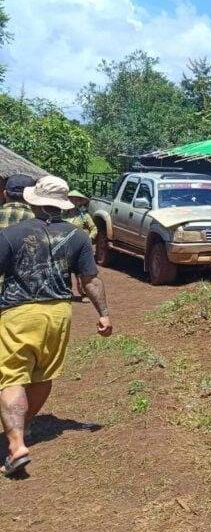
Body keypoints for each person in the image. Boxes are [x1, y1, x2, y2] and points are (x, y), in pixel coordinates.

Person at [0, 175, 112, 478]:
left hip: (19, 313)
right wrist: (103, 313)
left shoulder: (11, 235)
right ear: (63, 205)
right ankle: (24, 426)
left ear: (33, 201)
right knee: (42, 373)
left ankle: (16, 444)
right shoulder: (76, 237)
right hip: (59, 313)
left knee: (11, 377)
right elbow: (90, 280)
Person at [66, 191, 98, 303]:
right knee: (65, 272)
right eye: (71, 199)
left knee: (80, 274)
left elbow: (94, 229)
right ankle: (66, 293)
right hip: (65, 248)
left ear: (80, 202)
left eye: (76, 200)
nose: (73, 202)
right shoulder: (62, 216)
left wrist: (88, 238)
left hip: (80, 249)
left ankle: (84, 294)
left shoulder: (85, 216)